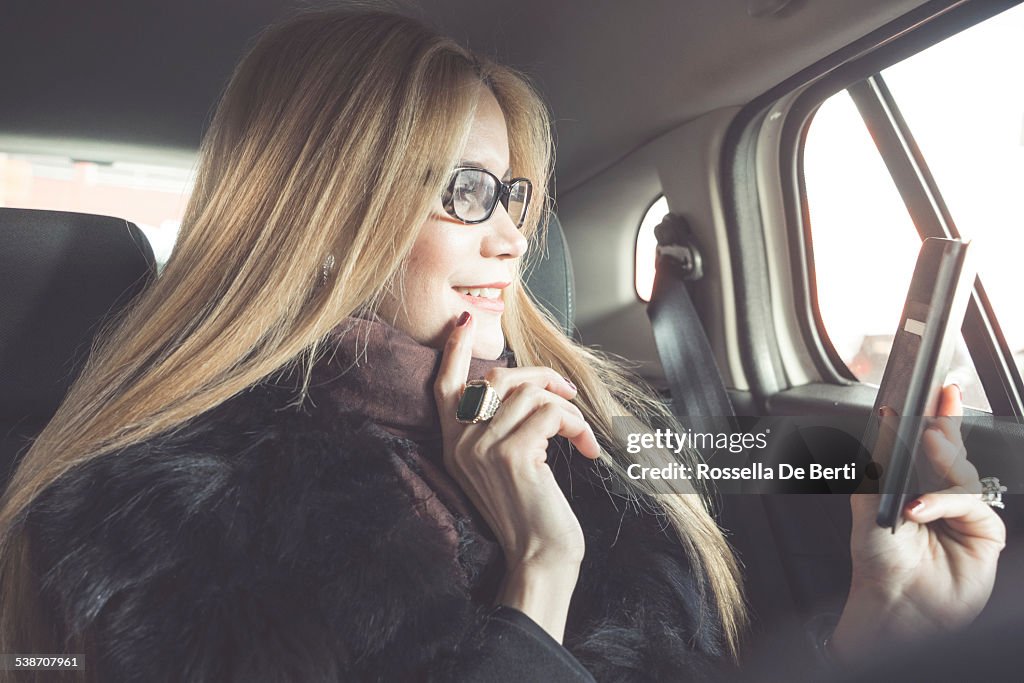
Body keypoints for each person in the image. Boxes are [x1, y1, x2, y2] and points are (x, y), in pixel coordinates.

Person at [0, 8, 1006, 682]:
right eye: (467, 191)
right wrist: (537, 574)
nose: (515, 235)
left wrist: (881, 633)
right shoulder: (149, 516)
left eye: (513, 193)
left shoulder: (590, 429)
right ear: (327, 213)